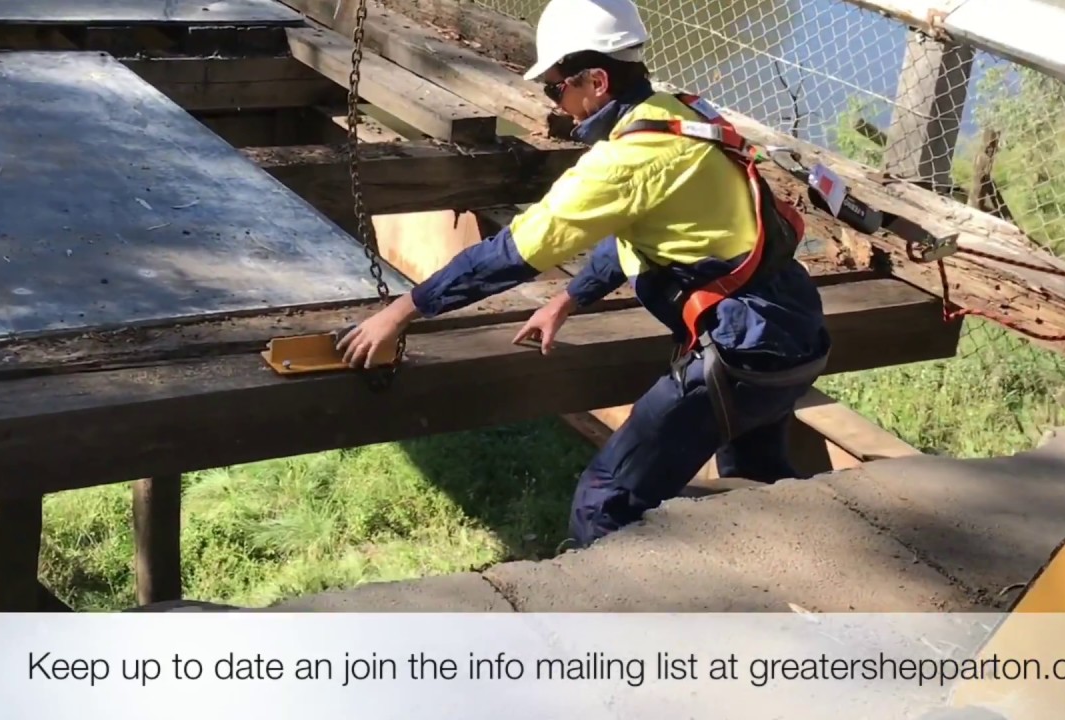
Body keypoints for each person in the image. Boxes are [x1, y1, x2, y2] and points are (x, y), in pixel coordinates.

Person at [337, 0, 832, 550]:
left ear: (595, 81)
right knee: (760, 484)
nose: (556, 105)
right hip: (796, 332)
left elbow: (512, 253)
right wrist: (568, 299)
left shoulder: (624, 161)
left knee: (604, 500)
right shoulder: (681, 113)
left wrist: (403, 310)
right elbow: (642, 233)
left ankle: (605, 625)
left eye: (555, 89)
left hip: (742, 354)